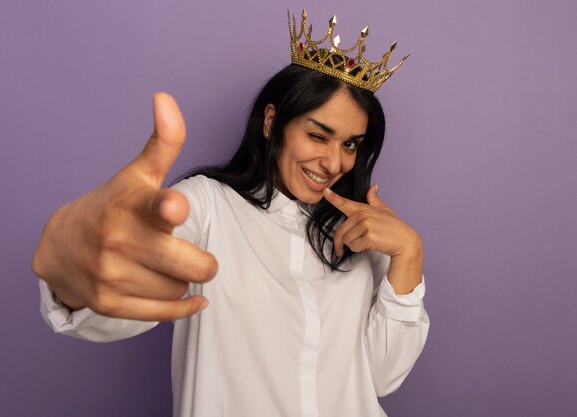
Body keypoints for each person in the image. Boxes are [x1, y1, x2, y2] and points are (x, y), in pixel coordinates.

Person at [33, 10, 429, 417]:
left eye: (351, 145)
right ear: (272, 122)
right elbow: (121, 296)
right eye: (317, 135)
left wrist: (409, 254)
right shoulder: (205, 205)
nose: (334, 162)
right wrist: (78, 271)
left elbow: (382, 377)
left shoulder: (365, 235)